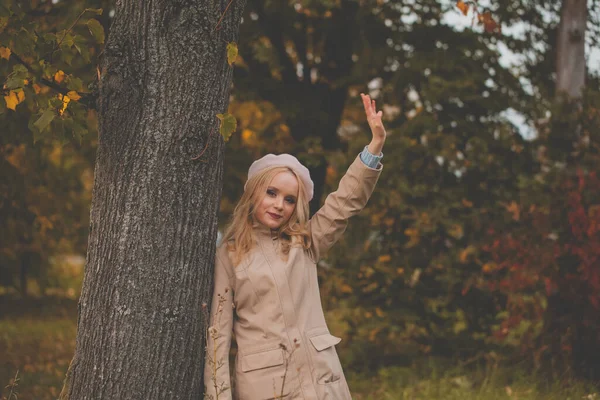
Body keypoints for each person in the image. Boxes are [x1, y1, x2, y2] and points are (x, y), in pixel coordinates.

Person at [204, 93, 386, 400]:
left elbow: (344, 202)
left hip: (321, 382)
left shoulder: (306, 243)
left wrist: (375, 145)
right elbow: (217, 336)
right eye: (272, 193)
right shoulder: (229, 255)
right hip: (268, 388)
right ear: (254, 194)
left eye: (289, 199)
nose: (279, 205)